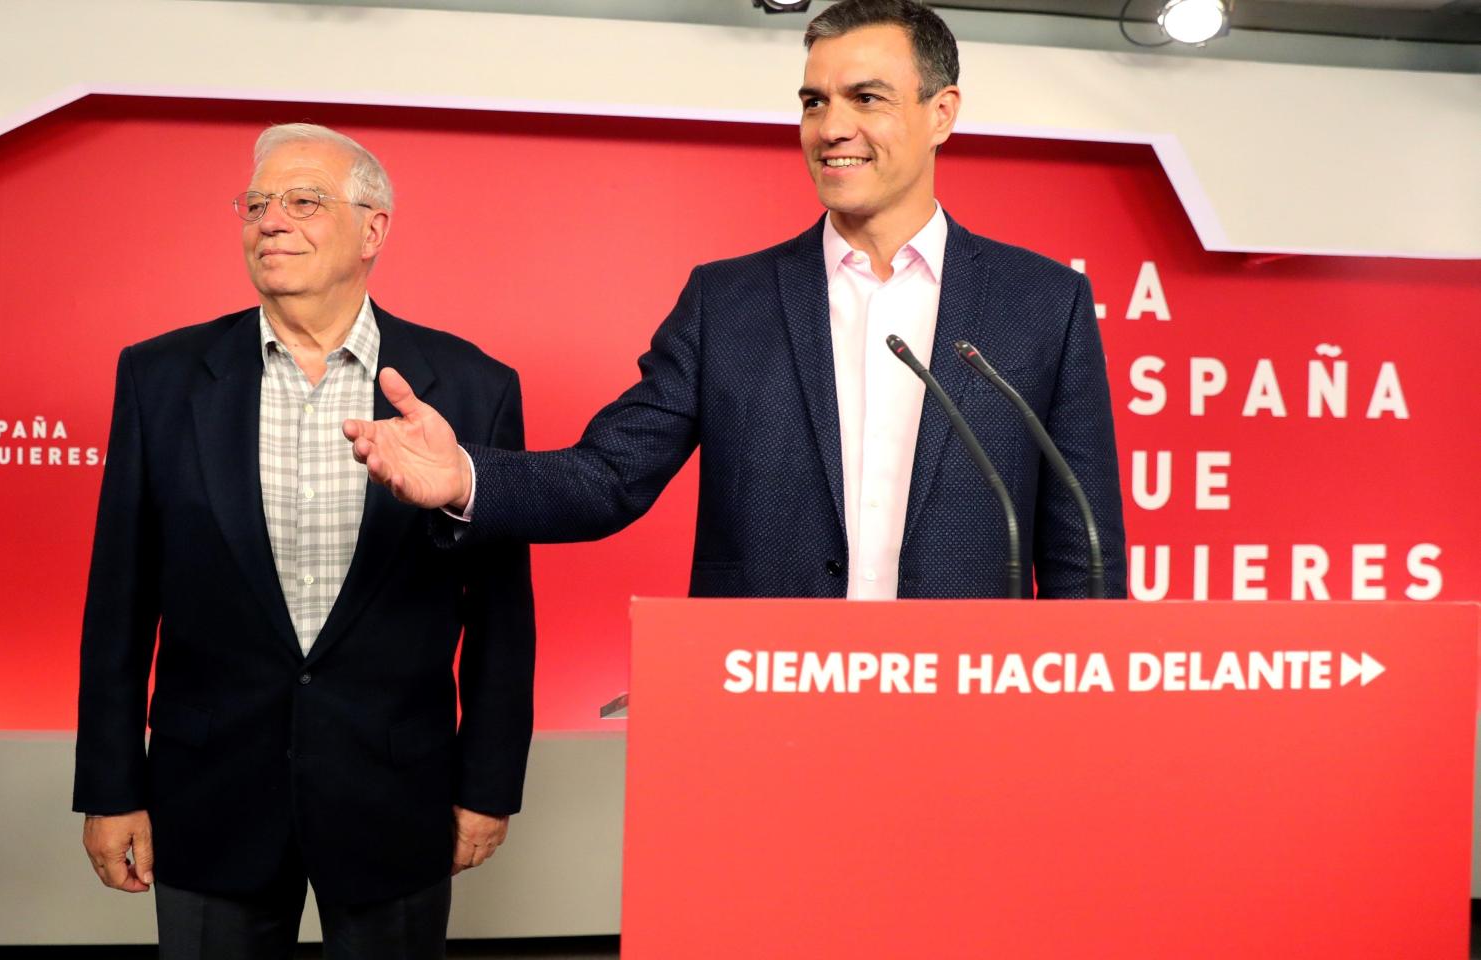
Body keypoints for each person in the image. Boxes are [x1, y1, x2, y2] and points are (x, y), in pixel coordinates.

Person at [344, 0, 1126, 600]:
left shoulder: (1042, 305)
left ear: (941, 114)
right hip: (763, 706)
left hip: (966, 710)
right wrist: (465, 478)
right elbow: (608, 475)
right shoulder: (727, 303)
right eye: (814, 102)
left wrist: (1084, 730)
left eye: (866, 98)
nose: (831, 127)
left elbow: (1083, 554)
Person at [72, 123, 536, 960]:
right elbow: (120, 604)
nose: (271, 221)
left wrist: (489, 784)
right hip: (208, 795)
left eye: (303, 201)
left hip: (396, 794)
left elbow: (501, 617)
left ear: (373, 229)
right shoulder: (160, 378)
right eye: (256, 204)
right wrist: (110, 789)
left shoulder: (472, 387)